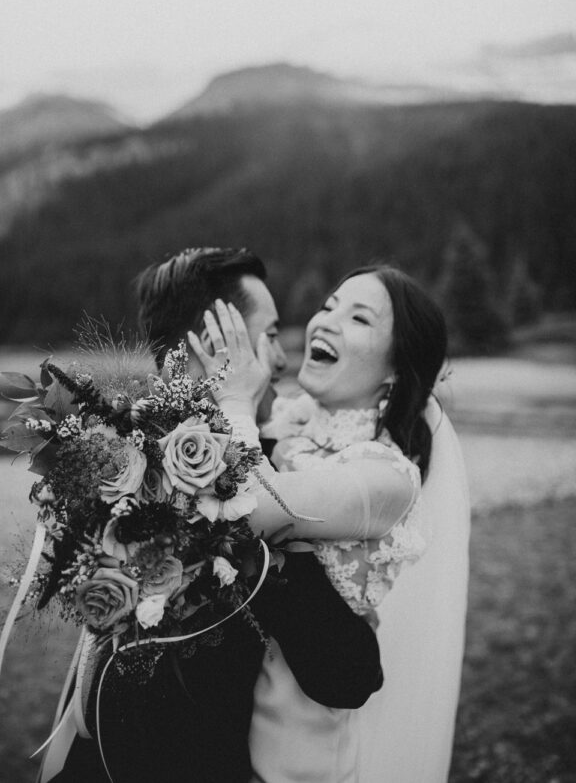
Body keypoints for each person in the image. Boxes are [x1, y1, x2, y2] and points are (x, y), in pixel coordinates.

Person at [39, 248, 383, 783]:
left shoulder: (140, 459)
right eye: (267, 336)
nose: (280, 360)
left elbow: (347, 672)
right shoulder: (124, 468)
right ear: (212, 344)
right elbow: (351, 674)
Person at [191, 263, 470, 783]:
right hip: (224, 739)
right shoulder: (282, 430)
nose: (325, 322)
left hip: (301, 759)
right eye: (328, 305)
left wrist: (234, 399)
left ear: (394, 368)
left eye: (359, 318)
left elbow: (249, 508)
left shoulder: (386, 477)